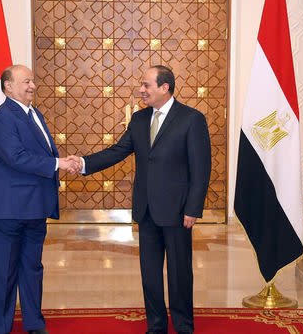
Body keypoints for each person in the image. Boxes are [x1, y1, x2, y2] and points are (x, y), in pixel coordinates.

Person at [67, 65, 211, 334]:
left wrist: (193, 208)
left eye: (146, 85)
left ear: (164, 87)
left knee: (180, 274)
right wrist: (84, 163)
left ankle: (183, 327)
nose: (141, 90)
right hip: (146, 210)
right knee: (150, 275)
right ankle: (156, 326)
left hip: (178, 211)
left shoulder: (192, 119)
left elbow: (201, 169)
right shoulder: (139, 119)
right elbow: (117, 151)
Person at [0, 65, 79, 334]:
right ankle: (1, 328)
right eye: (25, 81)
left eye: (33, 80)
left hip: (33, 208)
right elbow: (16, 157)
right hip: (6, 210)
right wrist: (59, 163)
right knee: (4, 274)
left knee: (32, 269)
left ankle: (34, 324)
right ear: (8, 86)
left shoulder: (34, 114)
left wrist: (59, 162)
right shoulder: (2, 117)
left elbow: (39, 155)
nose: (32, 85)